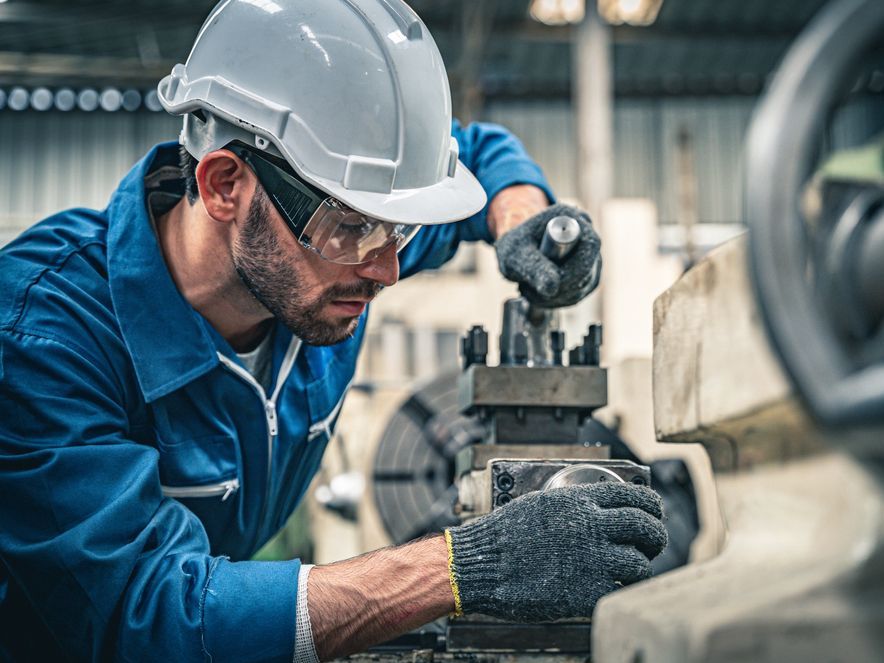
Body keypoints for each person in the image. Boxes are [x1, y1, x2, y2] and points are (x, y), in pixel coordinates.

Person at [0, 1, 667, 661]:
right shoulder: (42, 334)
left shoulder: (324, 245)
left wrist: (524, 214)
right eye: (353, 228)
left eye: (397, 228)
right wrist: (467, 567)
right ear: (226, 184)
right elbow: (146, 615)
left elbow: (483, 154)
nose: (387, 270)